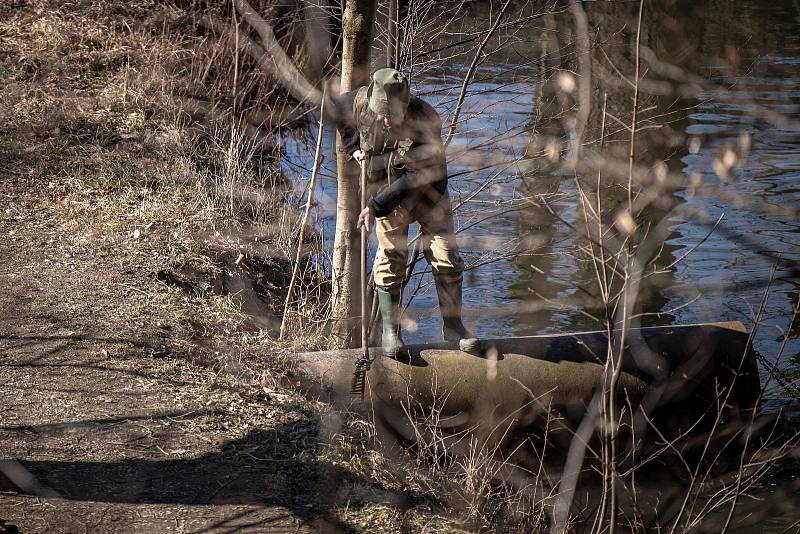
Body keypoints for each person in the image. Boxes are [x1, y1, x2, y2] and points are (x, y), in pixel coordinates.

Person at [334, 67, 479, 357]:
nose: (385, 119)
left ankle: (453, 326)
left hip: (427, 194)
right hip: (389, 195)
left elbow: (411, 180)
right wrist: (353, 148)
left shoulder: (426, 120)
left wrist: (374, 207)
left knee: (446, 258)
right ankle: (391, 331)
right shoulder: (359, 102)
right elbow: (336, 110)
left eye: (392, 115)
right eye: (381, 114)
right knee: (389, 260)